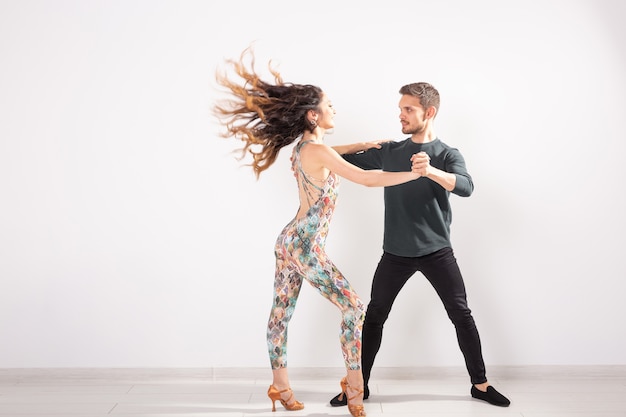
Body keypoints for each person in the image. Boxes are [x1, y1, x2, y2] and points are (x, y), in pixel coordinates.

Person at [213, 48, 421, 417]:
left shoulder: (305, 148)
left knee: (280, 315)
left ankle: (280, 387)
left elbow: (328, 153)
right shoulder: (318, 152)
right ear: (313, 115)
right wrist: (416, 174)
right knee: (355, 308)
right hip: (306, 247)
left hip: (288, 241)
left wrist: (361, 144)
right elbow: (367, 179)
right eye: (329, 105)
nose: (335, 110)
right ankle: (355, 389)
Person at [328, 82, 511, 408]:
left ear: (429, 112)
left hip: (437, 252)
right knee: (374, 317)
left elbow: (466, 187)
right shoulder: (391, 151)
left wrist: (431, 172)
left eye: (407, 109)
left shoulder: (447, 154)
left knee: (462, 315)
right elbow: (338, 159)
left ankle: (480, 386)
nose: (400, 115)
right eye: (400, 109)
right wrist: (355, 144)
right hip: (395, 253)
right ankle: (360, 386)